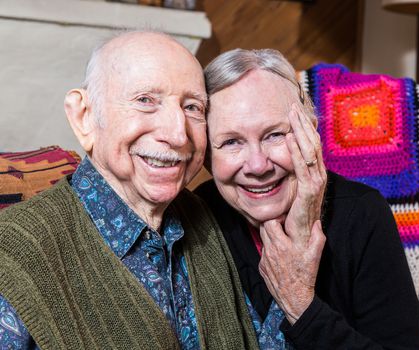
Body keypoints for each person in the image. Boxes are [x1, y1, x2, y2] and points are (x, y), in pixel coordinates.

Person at [0, 31, 258, 349]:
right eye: (146, 101)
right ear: (84, 117)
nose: (178, 134)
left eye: (193, 107)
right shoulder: (12, 257)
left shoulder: (207, 218)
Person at [195, 48, 419, 349]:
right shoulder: (197, 217)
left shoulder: (362, 214)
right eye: (231, 141)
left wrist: (300, 304)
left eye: (275, 135)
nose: (258, 165)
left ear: (310, 128)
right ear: (205, 156)